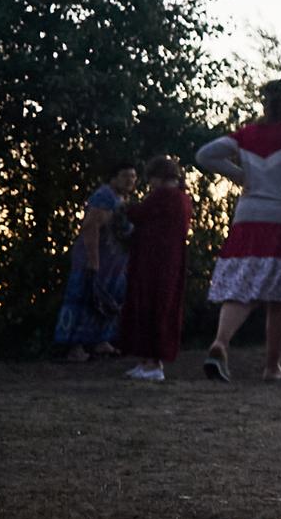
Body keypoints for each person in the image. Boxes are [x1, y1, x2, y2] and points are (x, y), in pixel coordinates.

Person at [195, 80, 281, 383]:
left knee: (243, 282)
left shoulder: (247, 134)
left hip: (249, 217)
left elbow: (205, 155)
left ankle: (221, 341)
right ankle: (272, 367)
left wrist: (239, 175)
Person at [53, 162, 136, 362]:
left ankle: (101, 342)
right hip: (94, 261)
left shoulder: (123, 199)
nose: (130, 181)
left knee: (108, 302)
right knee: (83, 299)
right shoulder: (104, 197)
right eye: (125, 176)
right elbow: (91, 227)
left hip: (114, 264)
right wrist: (93, 260)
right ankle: (74, 347)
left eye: (133, 177)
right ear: (114, 178)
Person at [119, 156, 191, 381]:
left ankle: (152, 363)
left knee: (150, 308)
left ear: (158, 177)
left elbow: (136, 214)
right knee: (162, 307)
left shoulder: (163, 196)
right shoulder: (183, 199)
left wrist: (124, 205)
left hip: (154, 261)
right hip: (172, 260)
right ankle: (148, 361)